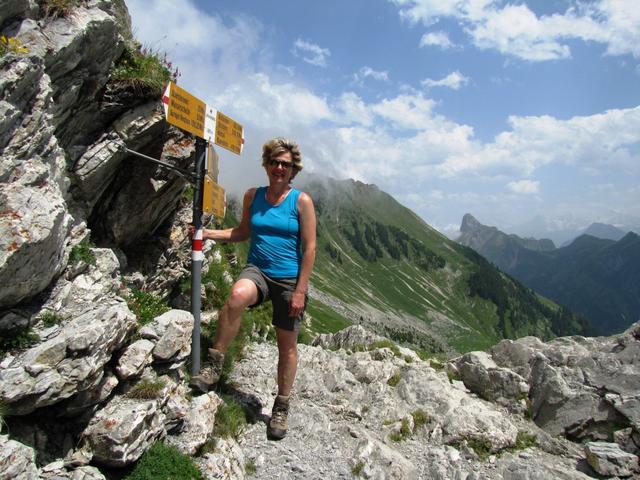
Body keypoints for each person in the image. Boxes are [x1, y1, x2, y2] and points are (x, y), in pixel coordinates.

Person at [189, 137, 316, 440]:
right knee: (236, 296)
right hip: (257, 269)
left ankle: (281, 406)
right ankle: (214, 365)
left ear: (293, 170)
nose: (279, 168)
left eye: (285, 164)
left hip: (288, 278)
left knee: (287, 346)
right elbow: (243, 231)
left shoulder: (301, 201)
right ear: (266, 165)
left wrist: (300, 291)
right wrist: (208, 233)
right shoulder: (252, 196)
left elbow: (310, 248)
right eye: (275, 162)